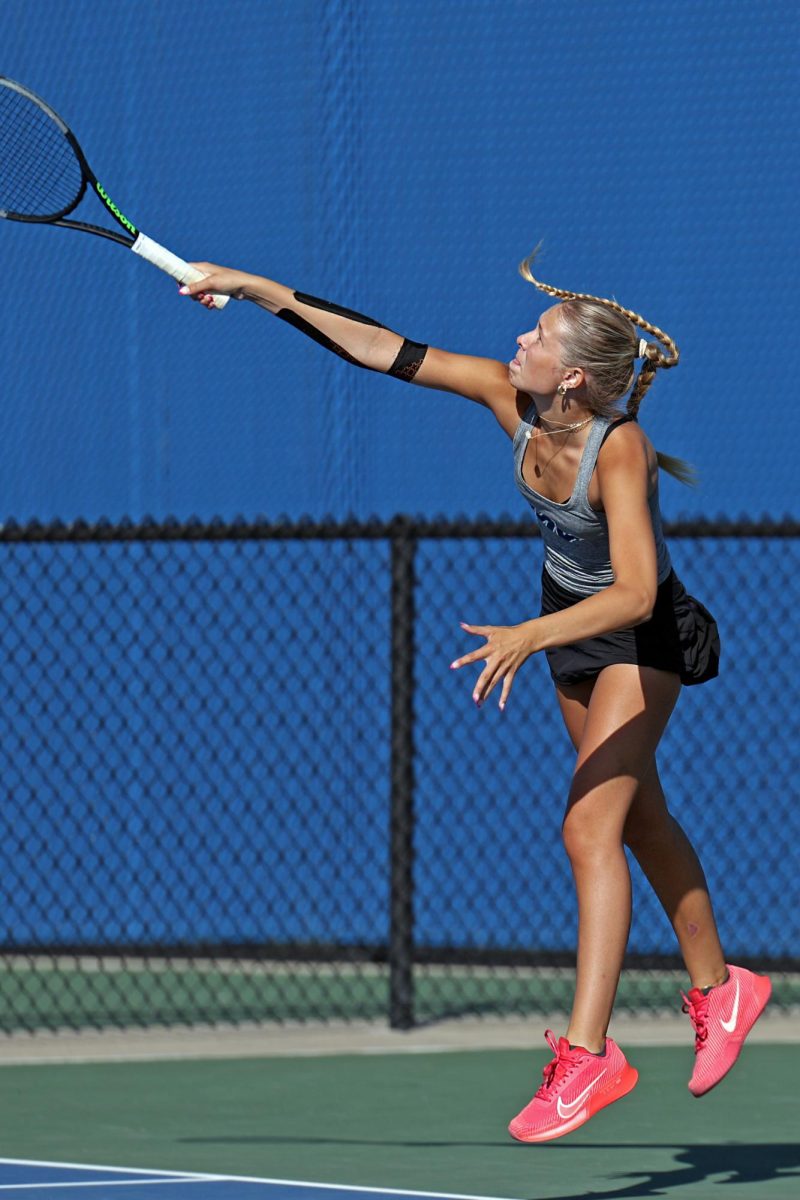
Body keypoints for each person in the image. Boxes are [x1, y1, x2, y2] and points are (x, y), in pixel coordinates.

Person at [179, 252, 771, 1143]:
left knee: (587, 828)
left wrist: (531, 636)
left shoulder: (623, 449)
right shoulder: (513, 400)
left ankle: (589, 1057)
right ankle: (725, 991)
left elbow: (639, 593)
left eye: (537, 336)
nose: (518, 340)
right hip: (569, 634)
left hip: (639, 639)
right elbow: (384, 349)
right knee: (638, 817)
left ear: (574, 374)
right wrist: (255, 288)